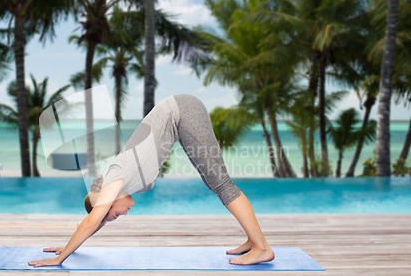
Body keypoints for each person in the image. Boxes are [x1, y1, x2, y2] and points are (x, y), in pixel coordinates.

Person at [28, 94, 275, 267]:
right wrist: (71, 246)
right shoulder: (120, 186)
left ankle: (262, 248)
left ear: (107, 199)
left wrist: (60, 259)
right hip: (180, 117)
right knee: (215, 183)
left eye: (115, 215)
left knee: (221, 184)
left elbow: (93, 220)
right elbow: (97, 221)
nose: (122, 215)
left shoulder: (115, 177)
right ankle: (254, 240)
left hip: (182, 110)